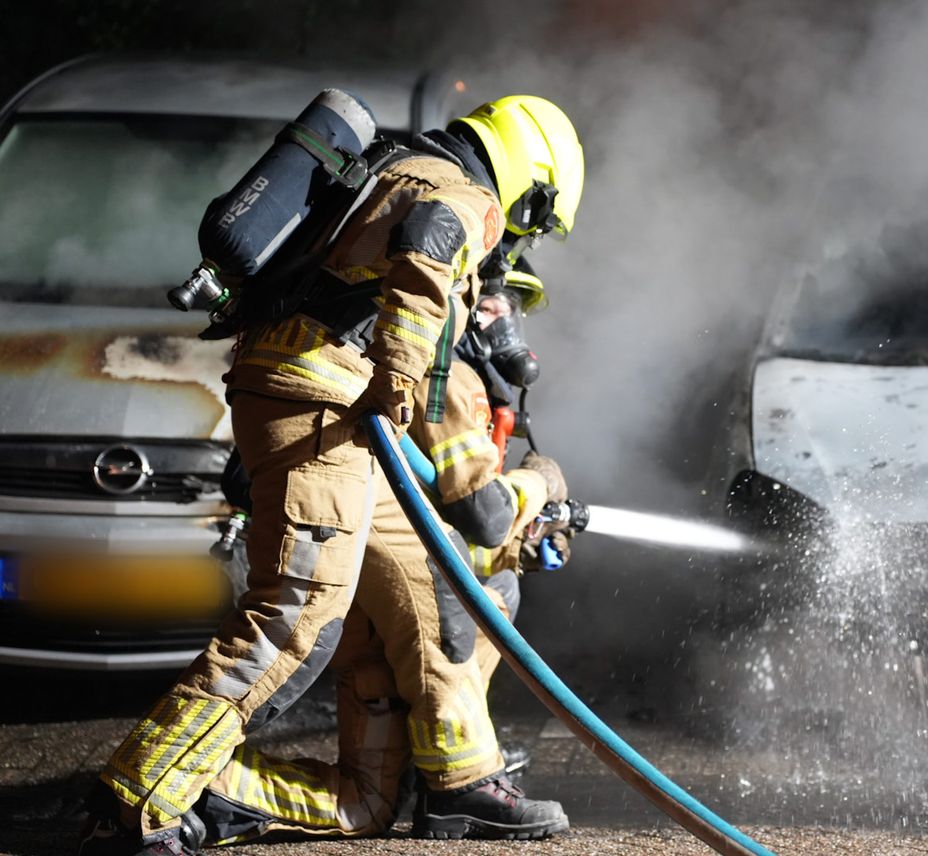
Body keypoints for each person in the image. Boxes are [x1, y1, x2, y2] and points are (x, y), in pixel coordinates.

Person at [80, 95, 584, 856]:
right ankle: (142, 794)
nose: (515, 241)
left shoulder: (395, 166)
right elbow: (431, 245)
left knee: (425, 571)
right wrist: (400, 385)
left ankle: (463, 780)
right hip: (325, 401)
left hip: (314, 397)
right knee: (296, 617)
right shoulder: (460, 194)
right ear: (532, 182)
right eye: (532, 221)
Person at [185, 279, 576, 846]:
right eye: (491, 304)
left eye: (511, 310)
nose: (504, 324)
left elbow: (439, 506)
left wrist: (529, 537)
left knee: (367, 802)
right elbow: (480, 517)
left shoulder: (425, 371)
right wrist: (539, 483)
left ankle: (210, 793)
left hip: (367, 588)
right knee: (479, 598)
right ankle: (462, 781)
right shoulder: (446, 377)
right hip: (395, 592)